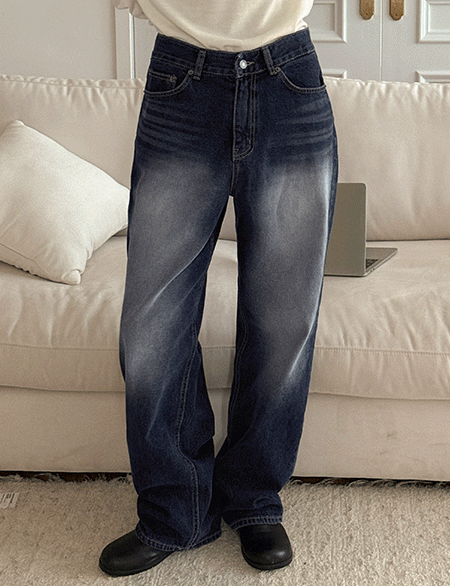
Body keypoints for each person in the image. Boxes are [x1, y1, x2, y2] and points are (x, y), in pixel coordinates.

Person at [100, 0, 338, 576]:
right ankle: (175, 511)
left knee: (283, 324)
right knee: (151, 329)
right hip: (181, 85)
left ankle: (254, 499)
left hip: (288, 83)